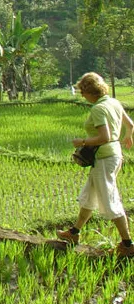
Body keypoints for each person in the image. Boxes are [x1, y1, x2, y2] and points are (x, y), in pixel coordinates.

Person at [57, 72, 134, 257]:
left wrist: (82, 142)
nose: (82, 96)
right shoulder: (113, 102)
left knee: (110, 200)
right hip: (113, 155)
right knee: (89, 194)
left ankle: (128, 244)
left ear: (89, 92)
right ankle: (74, 233)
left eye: (82, 92)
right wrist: (127, 136)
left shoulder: (98, 109)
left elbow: (104, 137)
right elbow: (130, 124)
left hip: (105, 159)